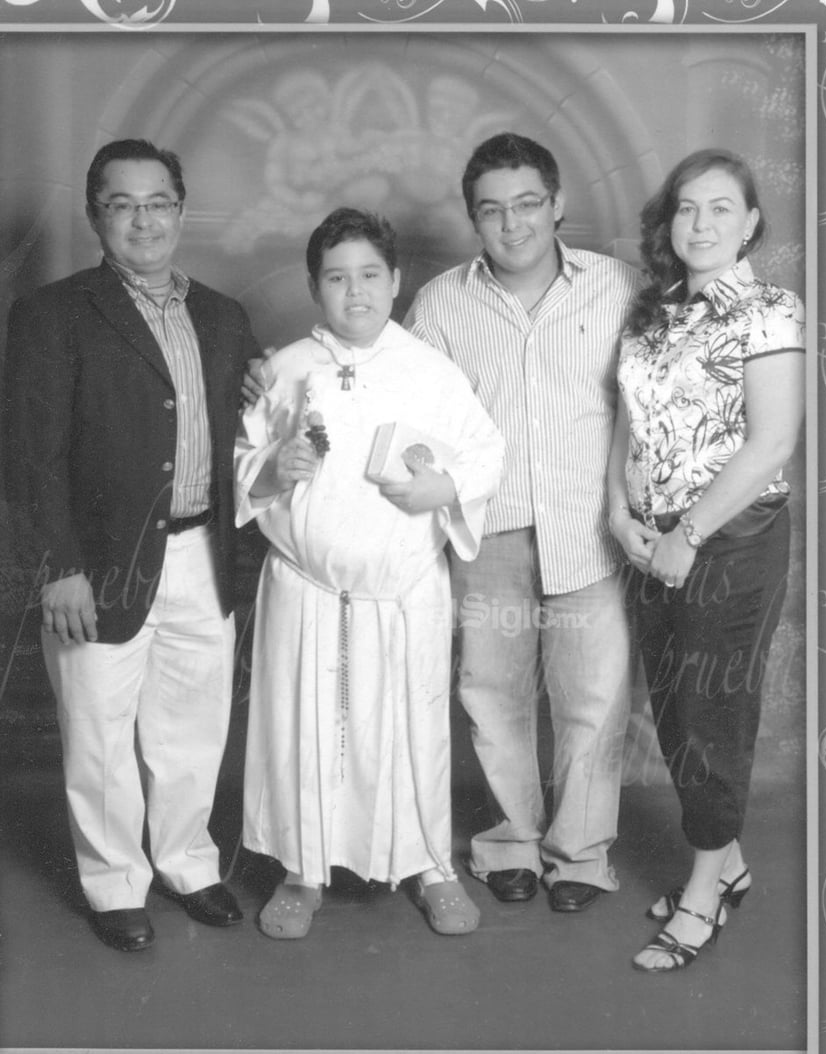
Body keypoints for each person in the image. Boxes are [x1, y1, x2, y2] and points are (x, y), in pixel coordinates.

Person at [2, 139, 261, 952]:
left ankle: (188, 863)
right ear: (94, 217)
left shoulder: (222, 316)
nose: (143, 219)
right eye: (122, 204)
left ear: (181, 211)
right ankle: (115, 884)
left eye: (158, 202)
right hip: (95, 562)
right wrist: (59, 568)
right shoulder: (51, 313)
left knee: (192, 729)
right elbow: (29, 454)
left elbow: (245, 437)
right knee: (99, 731)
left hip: (201, 553)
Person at [234, 207, 504, 939]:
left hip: (400, 592)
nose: (355, 293)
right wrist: (268, 472)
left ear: (396, 281)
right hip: (307, 588)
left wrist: (438, 490)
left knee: (410, 728)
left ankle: (429, 866)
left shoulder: (429, 369)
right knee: (304, 730)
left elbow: (485, 452)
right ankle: (301, 870)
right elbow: (242, 465)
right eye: (337, 278)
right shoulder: (287, 368)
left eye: (369, 276)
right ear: (314, 286)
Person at [402, 132, 642, 912]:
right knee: (492, 692)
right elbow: (407, 422)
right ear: (474, 219)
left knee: (593, 700)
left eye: (528, 204)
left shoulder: (620, 289)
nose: (513, 225)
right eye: (492, 211)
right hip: (488, 532)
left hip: (592, 530)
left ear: (558, 203)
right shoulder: (440, 304)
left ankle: (579, 856)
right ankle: (509, 843)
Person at [606, 148, 804, 972]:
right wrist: (619, 516)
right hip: (652, 539)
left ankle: (703, 891)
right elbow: (629, 422)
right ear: (669, 222)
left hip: (730, 538)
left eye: (721, 208)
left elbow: (772, 443)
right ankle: (729, 862)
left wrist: (688, 537)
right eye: (688, 208)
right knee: (675, 712)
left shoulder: (770, 310)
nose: (702, 223)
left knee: (711, 714)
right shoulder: (654, 316)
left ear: (751, 222)